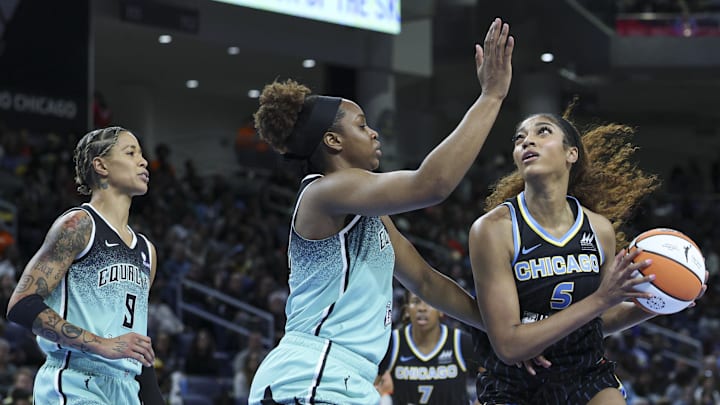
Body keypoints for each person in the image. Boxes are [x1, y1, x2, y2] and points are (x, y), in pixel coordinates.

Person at [248, 17, 515, 405]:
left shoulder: (367, 213)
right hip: (312, 374)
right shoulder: (324, 192)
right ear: (333, 140)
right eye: (362, 125)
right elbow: (432, 184)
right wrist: (490, 97)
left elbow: (425, 282)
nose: (374, 132)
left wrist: (501, 330)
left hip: (343, 379)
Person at [468, 107, 710, 404]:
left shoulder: (599, 230)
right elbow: (509, 346)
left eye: (542, 131)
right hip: (514, 379)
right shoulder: (493, 230)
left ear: (572, 154)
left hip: (582, 370)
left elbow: (600, 321)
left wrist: (665, 299)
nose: (526, 141)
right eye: (519, 138)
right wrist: (600, 300)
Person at [5, 126, 164, 404]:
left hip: (126, 389)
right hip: (76, 380)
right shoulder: (78, 225)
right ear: (101, 165)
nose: (143, 161)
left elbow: (137, 348)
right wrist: (102, 345)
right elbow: (22, 304)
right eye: (130, 152)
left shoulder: (147, 252)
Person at [377, 291, 479, 405]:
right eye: (416, 302)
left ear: (441, 310)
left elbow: (491, 374)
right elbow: (370, 383)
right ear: (406, 311)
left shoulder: (460, 342)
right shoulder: (392, 342)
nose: (422, 308)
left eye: (429, 302)